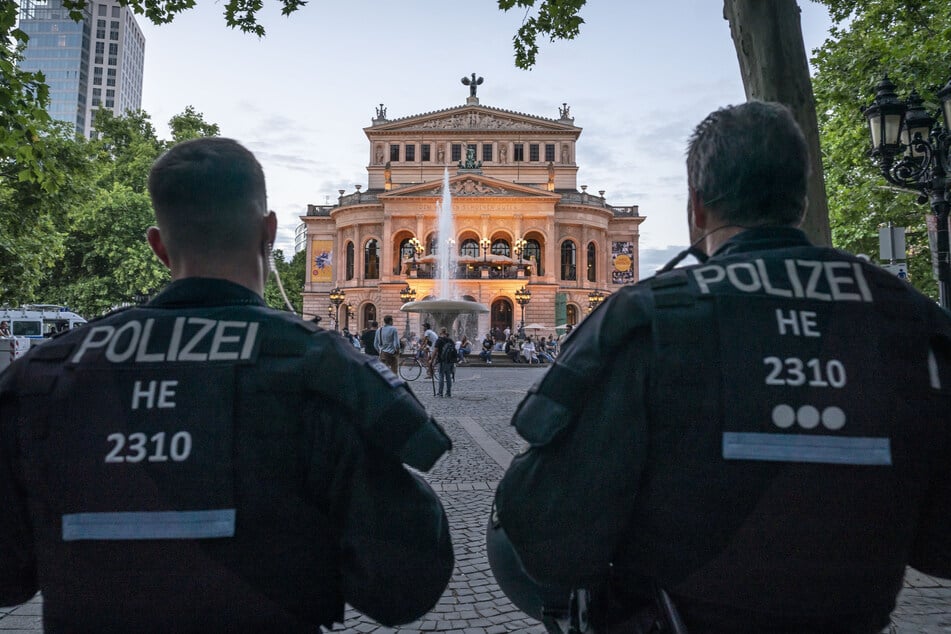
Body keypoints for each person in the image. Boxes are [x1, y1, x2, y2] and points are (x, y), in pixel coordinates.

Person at [488, 102, 951, 633]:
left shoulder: (645, 319)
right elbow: (942, 546)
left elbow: (544, 534)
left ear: (697, 208)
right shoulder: (909, 319)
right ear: (800, 201)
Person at [0, 137, 454, 632]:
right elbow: (405, 585)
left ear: (158, 245)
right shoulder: (320, 372)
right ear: (269, 233)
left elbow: (7, 577)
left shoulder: (44, 376)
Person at [433, 328, 456, 398]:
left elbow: (435, 351)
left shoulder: (439, 340)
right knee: (448, 377)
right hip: (450, 362)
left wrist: (432, 360)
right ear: (446, 332)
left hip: (441, 361)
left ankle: (440, 393)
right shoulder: (450, 340)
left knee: (441, 376)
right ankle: (448, 393)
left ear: (440, 333)